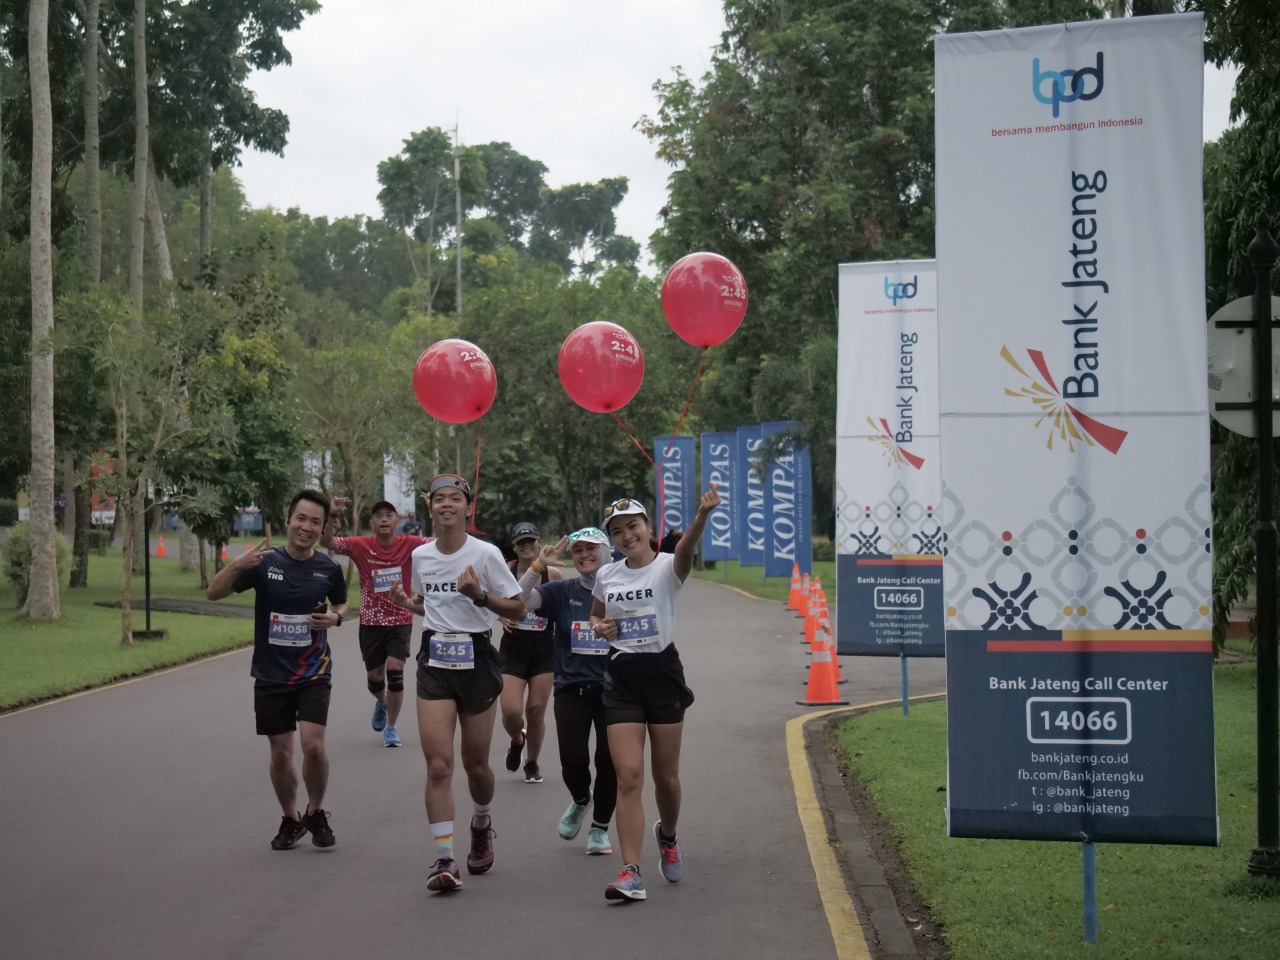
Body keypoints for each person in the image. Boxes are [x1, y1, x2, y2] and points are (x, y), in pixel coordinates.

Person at [389, 474, 525, 893]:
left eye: (455, 499)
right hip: (435, 659)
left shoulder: (485, 555)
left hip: (478, 657)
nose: (447, 505)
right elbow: (429, 605)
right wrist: (405, 604)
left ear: (468, 507)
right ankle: (445, 857)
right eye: (440, 500)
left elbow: (518, 609)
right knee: (438, 764)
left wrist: (480, 596)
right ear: (431, 508)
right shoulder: (422, 556)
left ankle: (481, 821)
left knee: (475, 765)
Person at [590, 484, 720, 902]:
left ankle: (667, 835)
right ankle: (631, 872)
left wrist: (702, 514)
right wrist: (600, 628)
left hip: (662, 673)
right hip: (621, 677)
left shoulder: (668, 566)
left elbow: (685, 550)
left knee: (665, 778)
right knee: (629, 776)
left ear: (648, 528)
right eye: (617, 532)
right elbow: (596, 614)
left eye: (633, 527)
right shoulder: (607, 574)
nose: (627, 536)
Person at [206, 489, 349, 851]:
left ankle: (315, 811)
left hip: (315, 671)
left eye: (315, 522)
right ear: (288, 520)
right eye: (301, 518)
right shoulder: (265, 563)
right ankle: (290, 817)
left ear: (321, 528)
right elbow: (213, 593)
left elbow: (343, 602)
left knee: (313, 747)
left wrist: (335, 618)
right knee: (280, 753)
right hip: (271, 674)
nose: (307, 527)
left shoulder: (328, 568)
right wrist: (238, 564)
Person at [516, 528, 616, 856]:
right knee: (572, 761)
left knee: (608, 761)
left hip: (614, 689)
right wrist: (536, 569)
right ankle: (580, 799)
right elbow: (521, 602)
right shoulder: (561, 590)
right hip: (571, 688)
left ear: (605, 550)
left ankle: (600, 827)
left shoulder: (621, 588)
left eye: (591, 549)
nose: (584, 555)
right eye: (578, 550)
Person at [320, 498, 430, 748]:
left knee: (395, 671)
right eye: (378, 515)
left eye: (389, 515)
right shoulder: (360, 545)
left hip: (400, 618)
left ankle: (391, 727)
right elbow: (326, 542)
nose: (383, 519)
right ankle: (381, 701)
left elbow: (444, 543)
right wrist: (332, 516)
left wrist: (436, 510)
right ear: (371, 522)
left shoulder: (411, 545)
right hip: (370, 622)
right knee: (375, 677)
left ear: (397, 522)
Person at [497, 521, 562, 783]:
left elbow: (561, 604)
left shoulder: (553, 574)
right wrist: (500, 616)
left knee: (535, 709)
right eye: (521, 542)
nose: (526, 546)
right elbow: (490, 601)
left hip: (544, 649)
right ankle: (517, 739)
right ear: (514, 547)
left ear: (538, 543)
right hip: (513, 649)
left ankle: (532, 763)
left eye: (531, 541)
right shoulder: (505, 572)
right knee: (511, 710)